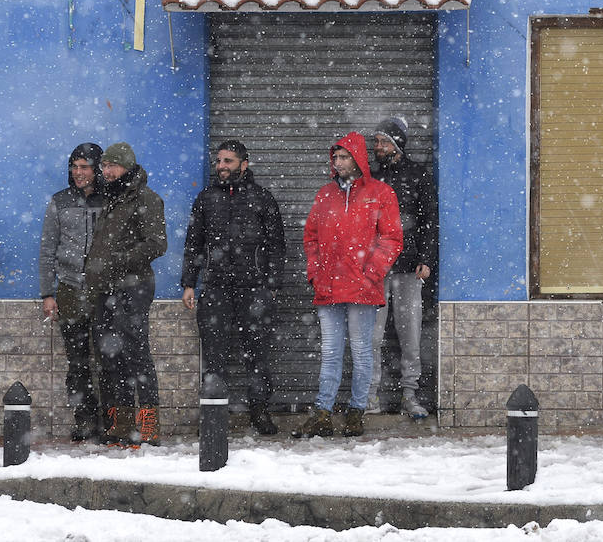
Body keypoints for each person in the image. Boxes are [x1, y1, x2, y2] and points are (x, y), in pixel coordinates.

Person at [294, 132, 402, 439]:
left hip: (362, 288)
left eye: (343, 157)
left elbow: (392, 238)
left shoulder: (380, 193)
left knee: (361, 350)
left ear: (357, 159)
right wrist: (315, 272)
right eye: (335, 158)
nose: (338, 163)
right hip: (328, 287)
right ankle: (323, 413)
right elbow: (311, 237)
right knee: (330, 352)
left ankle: (356, 412)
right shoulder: (325, 194)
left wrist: (371, 273)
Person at [182, 140, 285, 435]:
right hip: (215, 288)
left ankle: (259, 411)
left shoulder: (262, 198)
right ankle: (215, 416)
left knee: (257, 355)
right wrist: (189, 283)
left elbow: (277, 246)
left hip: (254, 289)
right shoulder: (206, 198)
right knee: (214, 356)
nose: (221, 167)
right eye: (219, 161)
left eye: (228, 161)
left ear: (244, 163)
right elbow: (193, 244)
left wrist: (272, 284)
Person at [84, 142, 167, 446]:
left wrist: (118, 260)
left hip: (134, 286)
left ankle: (149, 425)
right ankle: (122, 423)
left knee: (136, 352)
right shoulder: (112, 198)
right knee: (111, 354)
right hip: (106, 288)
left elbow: (157, 244)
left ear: (127, 167)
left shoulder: (146, 198)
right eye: (104, 166)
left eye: (113, 165)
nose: (107, 171)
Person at [369, 117, 438, 420]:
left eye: (384, 142)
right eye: (376, 142)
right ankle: (369, 396)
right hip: (375, 268)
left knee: (409, 335)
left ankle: (410, 394)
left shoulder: (418, 175)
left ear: (398, 144)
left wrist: (426, 257)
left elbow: (429, 221)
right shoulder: (369, 180)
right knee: (371, 336)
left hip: (409, 267)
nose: (378, 147)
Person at [39, 143, 106, 441]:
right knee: (77, 360)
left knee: (108, 359)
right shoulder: (60, 201)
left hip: (106, 291)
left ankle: (111, 419)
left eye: (85, 167)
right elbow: (47, 250)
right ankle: (85, 419)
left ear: (97, 169)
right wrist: (47, 293)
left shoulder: (111, 200)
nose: (79, 173)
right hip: (69, 289)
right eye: (75, 167)